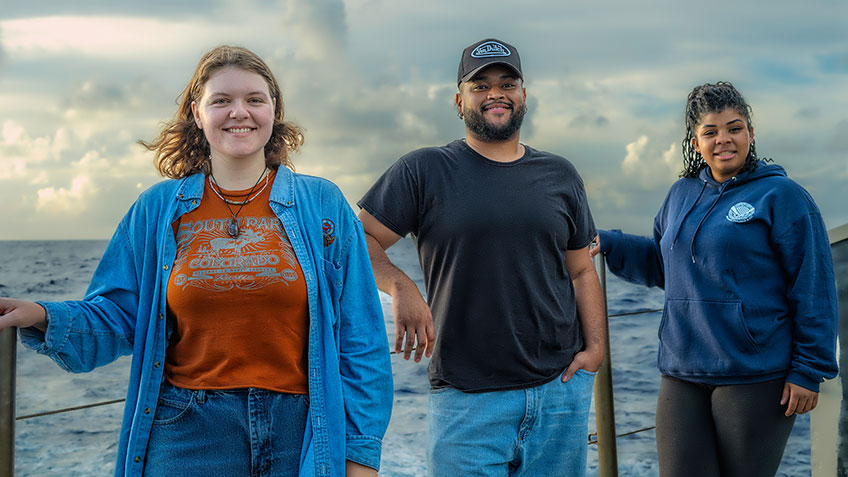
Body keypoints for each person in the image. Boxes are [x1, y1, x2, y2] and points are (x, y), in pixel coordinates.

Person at [0, 45, 393, 477]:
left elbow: (362, 339)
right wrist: (41, 315)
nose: (238, 112)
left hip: (301, 431)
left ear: (274, 110)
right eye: (221, 100)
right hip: (188, 430)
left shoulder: (322, 205)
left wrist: (360, 455)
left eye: (254, 99)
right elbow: (118, 314)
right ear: (197, 113)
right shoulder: (156, 209)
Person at [358, 38, 606, 476]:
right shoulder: (423, 170)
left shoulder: (560, 174)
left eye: (507, 83)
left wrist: (596, 352)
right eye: (481, 85)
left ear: (523, 95)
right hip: (466, 400)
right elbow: (358, 239)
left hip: (559, 393)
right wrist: (400, 285)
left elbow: (582, 269)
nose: (496, 93)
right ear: (459, 101)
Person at [591, 81, 838, 476]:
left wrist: (808, 369)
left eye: (734, 128)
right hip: (682, 370)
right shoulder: (680, 194)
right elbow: (662, 265)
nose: (724, 139)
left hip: (754, 374)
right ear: (696, 141)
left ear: (751, 134)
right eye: (711, 132)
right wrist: (609, 242)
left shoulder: (783, 196)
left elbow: (814, 286)